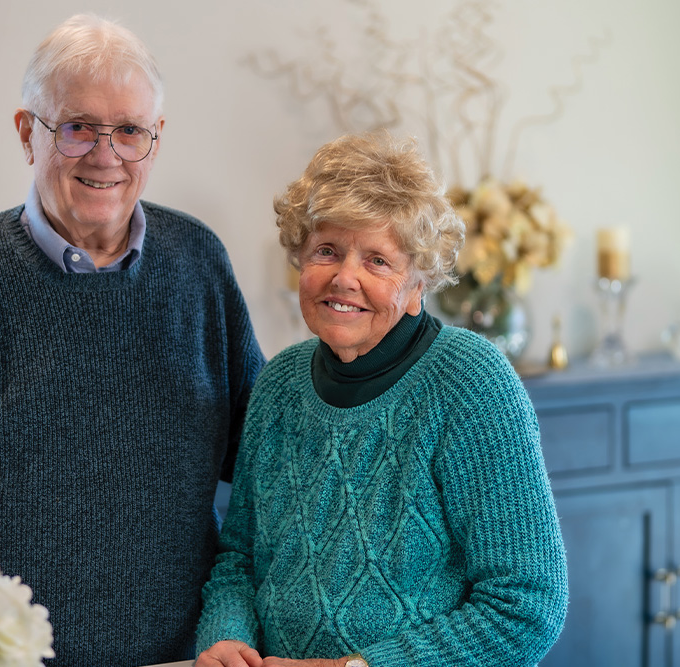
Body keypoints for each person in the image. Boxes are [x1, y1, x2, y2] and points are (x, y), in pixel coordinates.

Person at [0, 14, 265, 667]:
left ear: (156, 140)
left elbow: (262, 467)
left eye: (129, 130)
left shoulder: (200, 265)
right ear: (26, 133)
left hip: (181, 658)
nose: (106, 154)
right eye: (77, 128)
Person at [195, 133, 567, 667]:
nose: (345, 278)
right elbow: (239, 559)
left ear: (418, 283)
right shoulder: (278, 385)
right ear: (300, 260)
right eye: (326, 250)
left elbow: (526, 608)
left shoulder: (470, 383)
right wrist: (226, 638)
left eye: (377, 260)